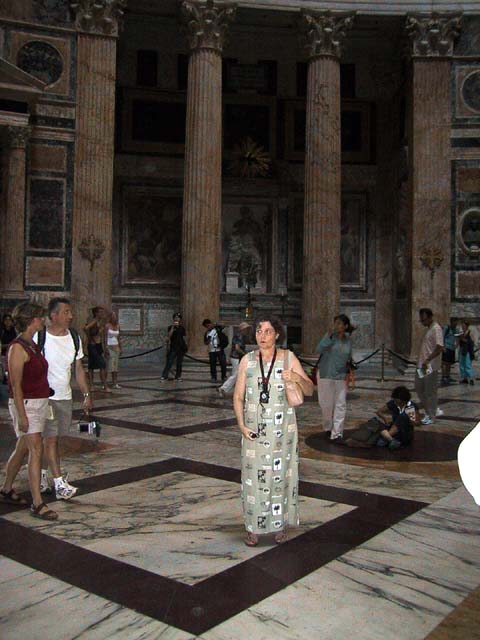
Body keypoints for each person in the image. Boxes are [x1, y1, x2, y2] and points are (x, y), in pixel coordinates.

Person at [233, 315, 313, 547]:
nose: (263, 336)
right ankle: (253, 527)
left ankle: (279, 525)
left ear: (277, 334)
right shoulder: (247, 361)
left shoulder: (288, 358)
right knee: (252, 479)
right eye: (259, 331)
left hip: (282, 431)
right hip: (253, 429)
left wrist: (296, 377)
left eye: (268, 331)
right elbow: (238, 396)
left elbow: (309, 389)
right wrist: (241, 425)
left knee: (281, 477)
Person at [0, 302, 58, 520]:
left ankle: (6, 489)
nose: (43, 320)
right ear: (32, 320)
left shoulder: (31, 344)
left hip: (38, 403)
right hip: (26, 405)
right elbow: (16, 386)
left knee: (22, 448)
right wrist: (22, 416)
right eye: (40, 317)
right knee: (36, 450)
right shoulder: (17, 348)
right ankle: (37, 503)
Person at [36, 297, 93, 499]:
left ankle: (41, 475)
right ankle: (60, 484)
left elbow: (78, 369)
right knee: (51, 440)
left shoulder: (74, 337)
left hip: (65, 397)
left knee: (54, 440)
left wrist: (86, 395)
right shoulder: (39, 337)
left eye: (71, 312)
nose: (71, 316)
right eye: (66, 312)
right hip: (45, 397)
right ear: (54, 315)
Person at [316, 314, 355, 442]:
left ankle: (337, 433)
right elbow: (319, 349)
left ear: (345, 326)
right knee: (326, 405)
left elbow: (349, 357)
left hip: (341, 375)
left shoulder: (348, 340)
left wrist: (351, 372)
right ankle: (328, 427)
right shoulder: (330, 337)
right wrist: (329, 336)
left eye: (339, 323)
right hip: (326, 374)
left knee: (341, 404)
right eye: (335, 323)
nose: (336, 326)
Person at [344, 386, 419, 450]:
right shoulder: (393, 403)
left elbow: (416, 423)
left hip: (403, 434)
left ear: (403, 400)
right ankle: (389, 439)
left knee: (403, 416)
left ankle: (386, 438)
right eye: (395, 401)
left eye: (398, 402)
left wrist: (411, 419)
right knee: (375, 422)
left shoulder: (410, 406)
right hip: (393, 431)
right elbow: (379, 412)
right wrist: (385, 419)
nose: (396, 403)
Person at [415, 308, 444, 425]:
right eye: (421, 320)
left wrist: (428, 359)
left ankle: (431, 416)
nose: (422, 322)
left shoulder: (436, 329)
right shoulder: (428, 329)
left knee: (430, 392)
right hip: (423, 366)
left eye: (424, 320)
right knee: (419, 388)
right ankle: (430, 411)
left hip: (430, 366)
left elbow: (439, 347)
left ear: (430, 317)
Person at [218, 322, 251, 397]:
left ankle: (237, 390)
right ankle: (223, 388)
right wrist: (245, 354)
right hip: (237, 357)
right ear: (243, 329)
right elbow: (237, 348)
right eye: (247, 329)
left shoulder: (239, 335)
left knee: (236, 375)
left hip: (235, 357)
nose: (248, 330)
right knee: (236, 375)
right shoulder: (239, 336)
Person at [84, 306, 111, 392]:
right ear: (96, 313)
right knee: (101, 364)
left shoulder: (100, 322)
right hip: (93, 345)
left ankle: (93, 385)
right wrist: (90, 338)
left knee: (93, 365)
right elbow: (86, 328)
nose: (102, 314)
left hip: (98, 345)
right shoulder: (94, 321)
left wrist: (104, 347)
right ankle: (104, 385)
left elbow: (102, 336)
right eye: (100, 312)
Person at [161, 312, 187, 381]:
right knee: (169, 362)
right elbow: (169, 336)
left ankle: (178, 376)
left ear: (180, 319)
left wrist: (185, 346)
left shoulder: (182, 328)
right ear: (173, 319)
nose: (177, 319)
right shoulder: (170, 327)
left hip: (181, 347)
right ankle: (164, 376)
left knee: (179, 363)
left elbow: (184, 337)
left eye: (178, 318)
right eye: (175, 317)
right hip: (173, 347)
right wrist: (173, 327)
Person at [203, 319, 227, 383]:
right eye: (206, 326)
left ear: (210, 323)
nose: (208, 327)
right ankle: (213, 377)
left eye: (209, 325)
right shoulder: (207, 333)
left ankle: (223, 376)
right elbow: (206, 342)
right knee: (212, 365)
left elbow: (223, 325)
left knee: (223, 364)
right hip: (212, 350)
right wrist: (209, 338)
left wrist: (215, 325)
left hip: (219, 349)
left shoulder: (217, 329)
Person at [105, 311, 122, 388]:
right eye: (113, 316)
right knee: (110, 365)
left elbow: (119, 337)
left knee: (115, 365)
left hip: (116, 346)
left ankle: (115, 382)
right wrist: (105, 347)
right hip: (109, 346)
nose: (114, 318)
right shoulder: (107, 326)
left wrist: (120, 347)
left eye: (115, 316)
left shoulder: (118, 326)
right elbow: (105, 337)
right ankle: (105, 382)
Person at [441, 318, 458, 385]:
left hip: (452, 348)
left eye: (456, 323)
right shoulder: (446, 328)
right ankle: (443, 376)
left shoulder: (455, 329)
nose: (456, 324)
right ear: (451, 322)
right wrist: (443, 346)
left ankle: (448, 376)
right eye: (455, 323)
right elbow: (442, 337)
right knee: (444, 363)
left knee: (449, 363)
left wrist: (456, 345)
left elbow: (457, 337)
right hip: (446, 347)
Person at [458, 319, 475, 385]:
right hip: (462, 350)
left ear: (467, 326)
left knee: (467, 365)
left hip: (467, 351)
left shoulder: (470, 333)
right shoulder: (461, 333)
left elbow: (472, 342)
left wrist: (464, 340)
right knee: (462, 365)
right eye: (462, 325)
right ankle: (464, 378)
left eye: (464, 325)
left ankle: (471, 378)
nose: (463, 326)